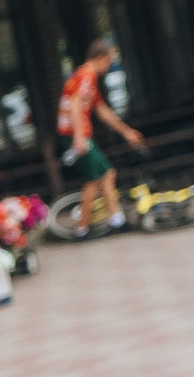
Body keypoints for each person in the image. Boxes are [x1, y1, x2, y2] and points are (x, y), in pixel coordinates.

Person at [58, 36, 144, 233]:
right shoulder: (86, 76)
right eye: (110, 59)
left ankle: (116, 219)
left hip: (74, 133)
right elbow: (76, 104)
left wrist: (126, 131)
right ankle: (82, 229)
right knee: (95, 178)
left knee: (106, 174)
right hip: (75, 134)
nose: (111, 64)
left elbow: (101, 109)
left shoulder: (85, 77)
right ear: (101, 57)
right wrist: (79, 138)